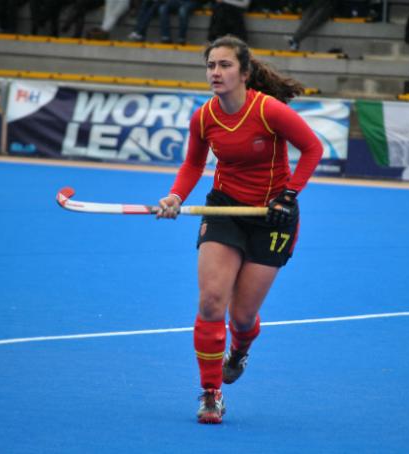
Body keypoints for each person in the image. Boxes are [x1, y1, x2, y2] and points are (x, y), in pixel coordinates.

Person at [156, 35, 323, 424]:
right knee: (212, 301)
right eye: (211, 65)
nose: (216, 72)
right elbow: (193, 166)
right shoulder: (204, 117)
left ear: (244, 72)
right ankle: (211, 394)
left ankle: (240, 348)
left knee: (243, 317)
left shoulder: (270, 111)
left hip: (272, 217)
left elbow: (312, 149)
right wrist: (175, 196)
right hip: (225, 209)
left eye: (225, 65)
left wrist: (290, 194)